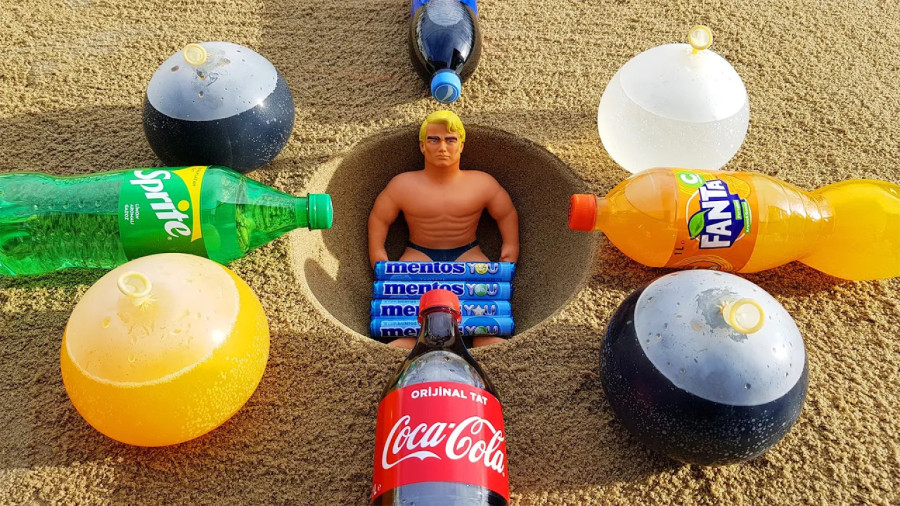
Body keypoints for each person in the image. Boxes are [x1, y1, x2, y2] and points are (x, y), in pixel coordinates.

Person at [368, 110, 519, 349]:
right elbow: (379, 218)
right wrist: (377, 252)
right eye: (434, 140)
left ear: (461, 145)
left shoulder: (482, 183)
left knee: (485, 322)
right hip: (418, 257)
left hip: (468, 255)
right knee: (409, 323)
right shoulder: (402, 184)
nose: (442, 147)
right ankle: (409, 342)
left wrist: (510, 245)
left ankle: (481, 340)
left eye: (450, 140)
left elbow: (506, 213)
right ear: (422, 146)